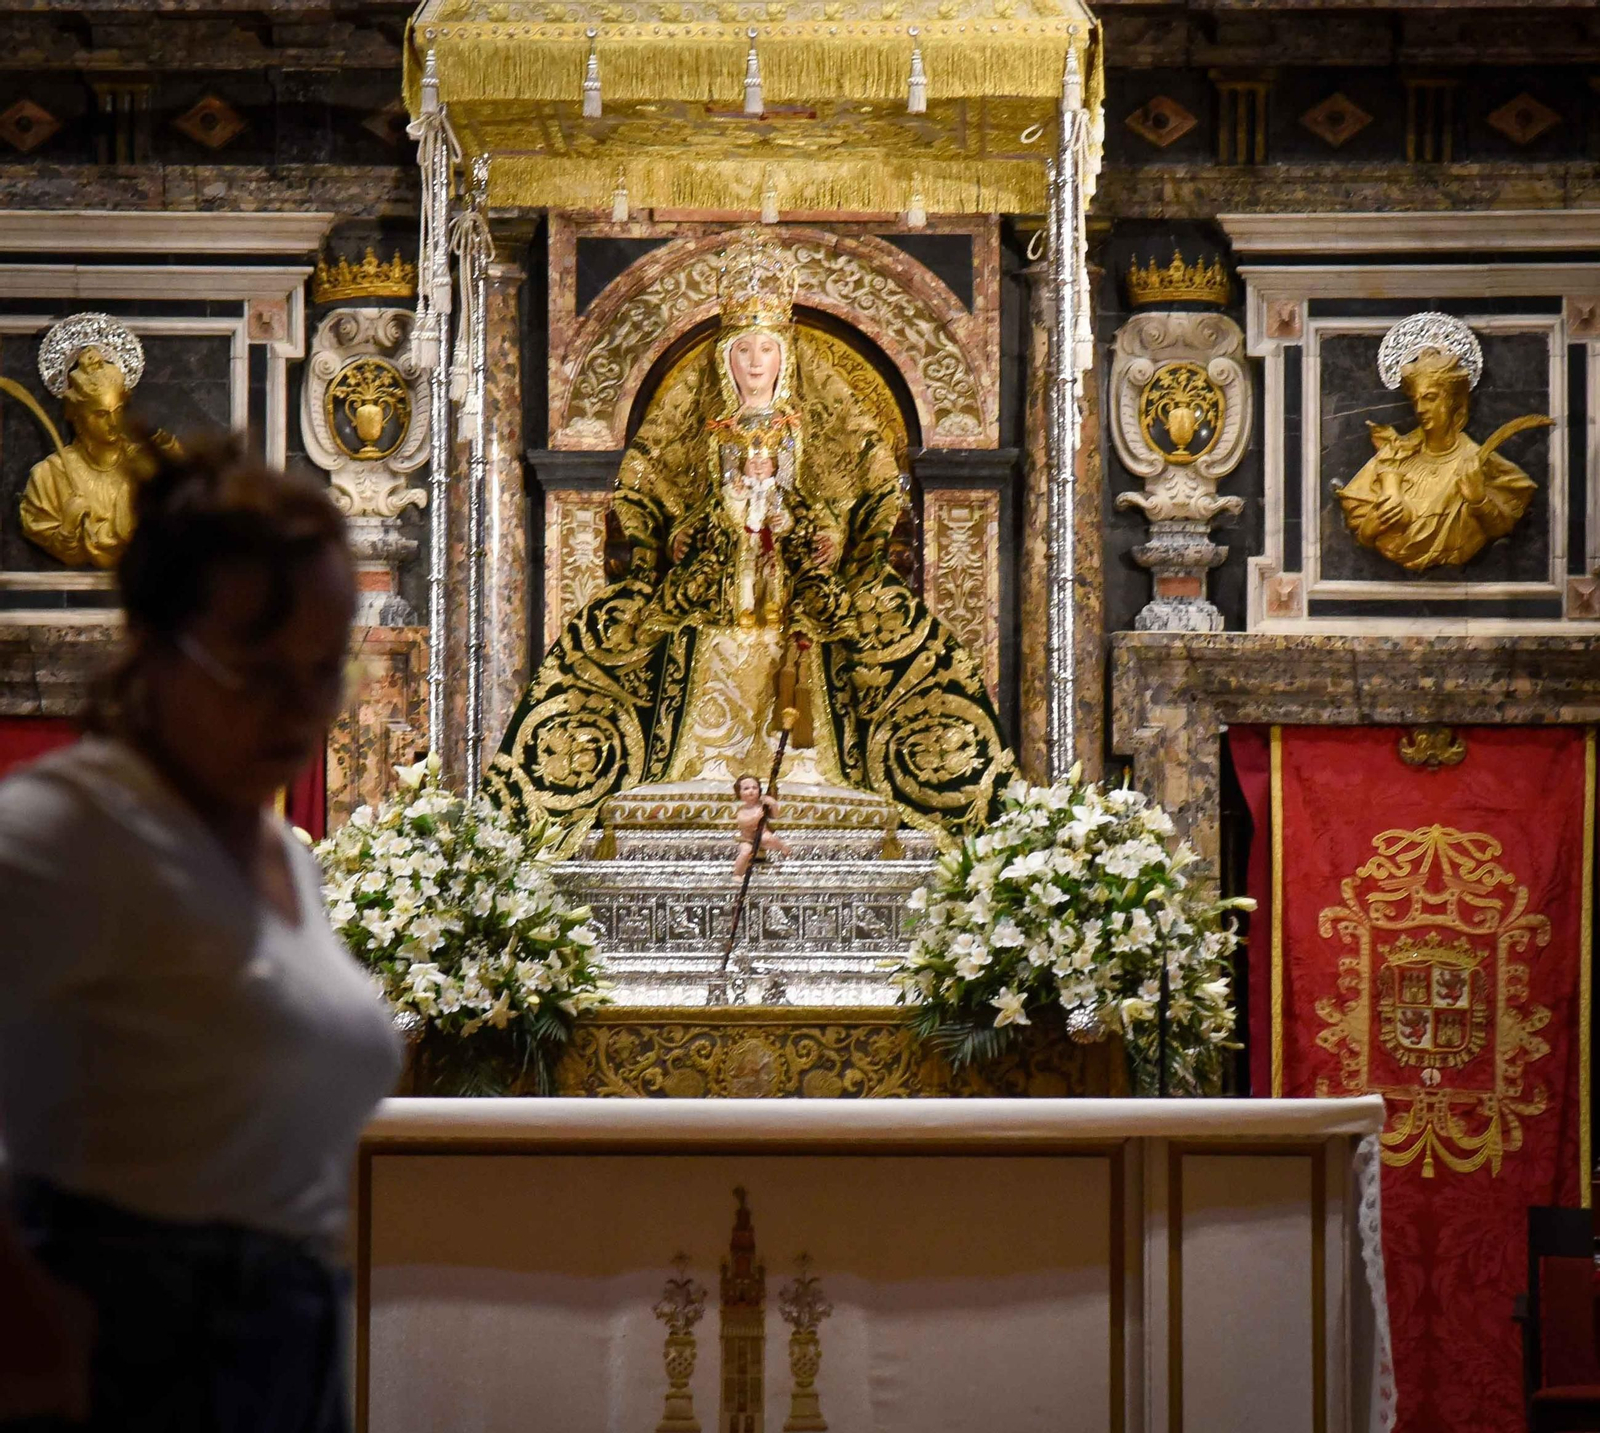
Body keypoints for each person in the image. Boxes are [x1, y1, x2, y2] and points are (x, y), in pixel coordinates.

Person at [0, 439, 401, 1431]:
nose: (301, 712)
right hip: (137, 1343)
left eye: (322, 672)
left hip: (287, 1336)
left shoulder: (283, 854)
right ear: (157, 641)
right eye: (257, 673)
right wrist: (28, 1323)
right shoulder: (69, 829)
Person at [731, 773, 789, 877]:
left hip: (762, 836)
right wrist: (755, 818)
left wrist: (773, 804)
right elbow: (743, 822)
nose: (751, 791)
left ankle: (782, 847)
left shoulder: (763, 804)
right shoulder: (743, 811)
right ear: (739, 793)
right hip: (747, 840)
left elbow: (775, 816)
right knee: (746, 852)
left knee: (769, 838)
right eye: (746, 788)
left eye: (755, 787)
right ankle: (738, 874)